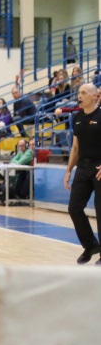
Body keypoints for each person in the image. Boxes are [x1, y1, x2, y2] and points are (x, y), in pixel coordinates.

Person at [63, 83, 101, 265]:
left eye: (84, 93)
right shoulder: (77, 117)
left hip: (99, 168)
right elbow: (75, 147)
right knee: (74, 208)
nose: (79, 95)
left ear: (94, 96)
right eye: (78, 92)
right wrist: (69, 169)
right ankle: (91, 245)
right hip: (83, 168)